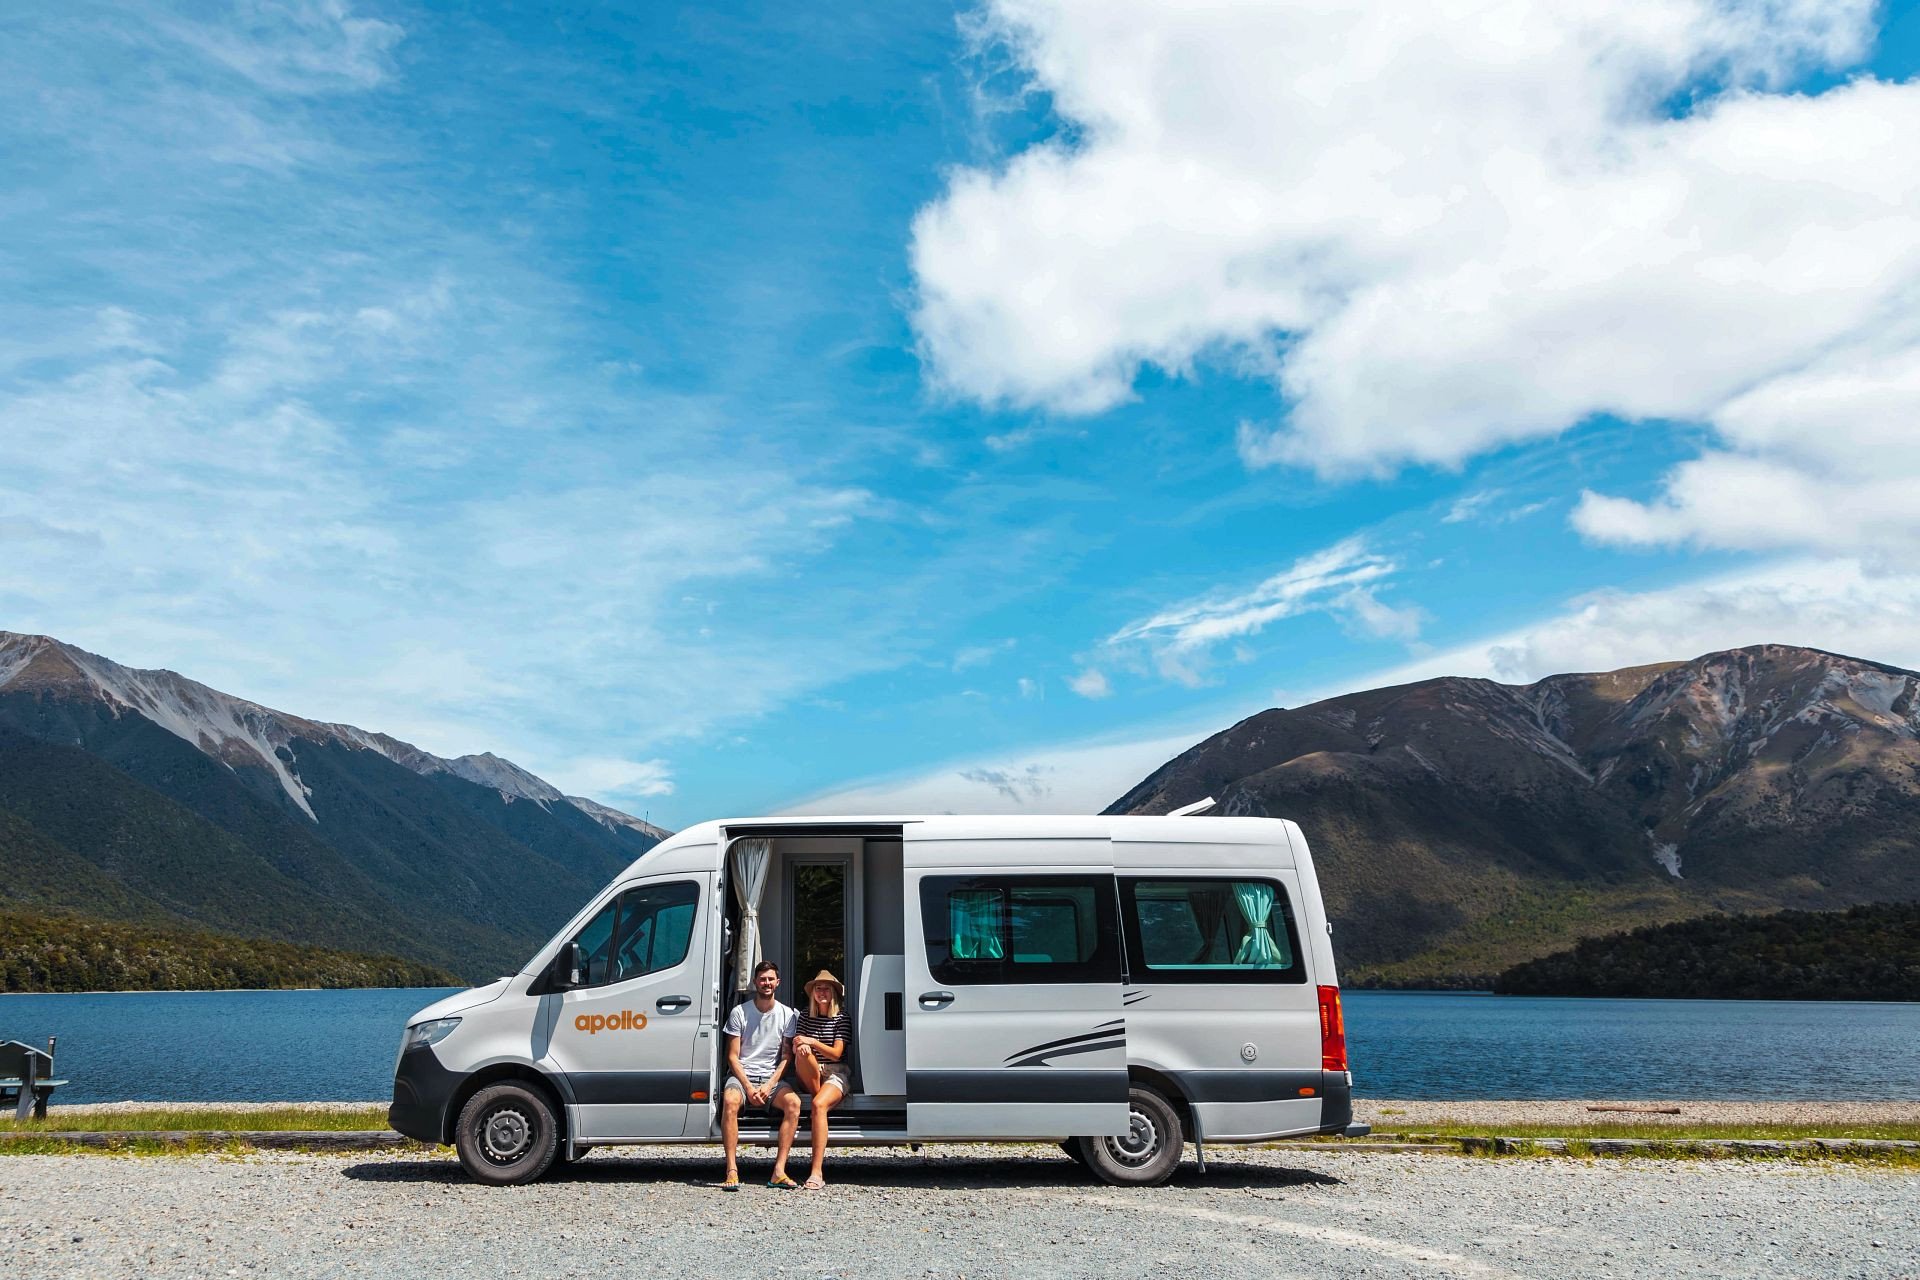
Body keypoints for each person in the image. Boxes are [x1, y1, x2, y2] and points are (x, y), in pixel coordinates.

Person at [719, 959, 801, 1190]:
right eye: (762, 979)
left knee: (794, 1104)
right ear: (755, 982)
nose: (766, 983)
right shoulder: (740, 1013)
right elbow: (733, 1057)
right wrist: (748, 1087)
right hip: (743, 1076)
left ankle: (779, 1171)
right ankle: (732, 1170)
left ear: (778, 982)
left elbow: (787, 1057)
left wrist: (768, 1086)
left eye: (770, 979)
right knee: (730, 1101)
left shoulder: (787, 1015)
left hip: (770, 1078)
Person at [791, 968, 853, 1191]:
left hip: (836, 1072)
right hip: (809, 1070)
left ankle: (816, 1171)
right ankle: (823, 1102)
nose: (822, 992)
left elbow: (837, 1053)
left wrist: (813, 1042)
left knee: (818, 1105)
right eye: (818, 988)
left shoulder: (842, 1018)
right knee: (803, 1050)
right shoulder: (805, 1015)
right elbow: (797, 1043)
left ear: (834, 992)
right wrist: (806, 1045)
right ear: (813, 993)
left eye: (826, 988)